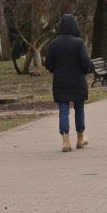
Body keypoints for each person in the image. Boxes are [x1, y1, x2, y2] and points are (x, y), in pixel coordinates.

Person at [44, 14, 93, 153]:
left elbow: (48, 64)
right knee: (79, 109)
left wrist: (56, 70)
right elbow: (85, 62)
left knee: (63, 111)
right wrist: (87, 69)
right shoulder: (79, 43)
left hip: (61, 82)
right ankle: (80, 138)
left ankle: (66, 141)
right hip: (78, 81)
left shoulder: (54, 43)